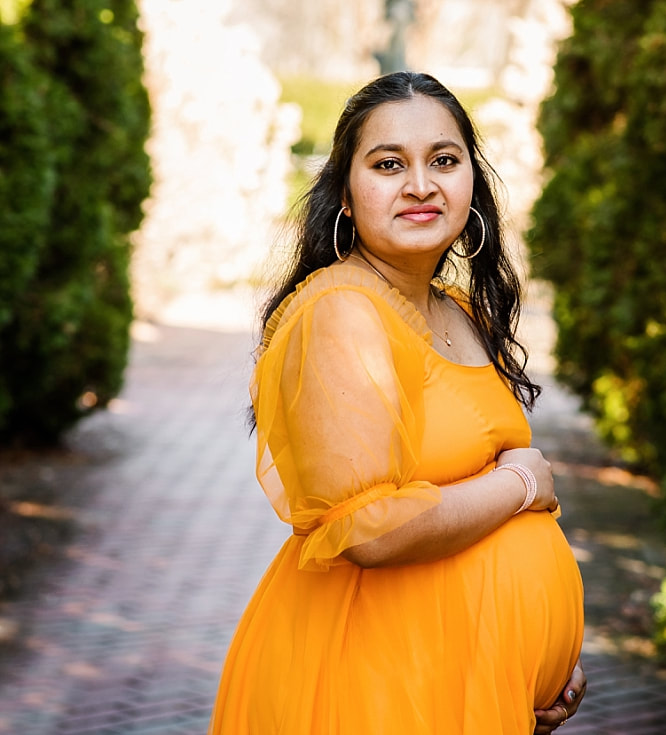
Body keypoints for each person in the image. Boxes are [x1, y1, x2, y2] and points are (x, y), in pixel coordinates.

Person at [209, 71, 586, 734]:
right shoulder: (341, 312)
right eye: (388, 164)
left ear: (473, 181)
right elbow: (373, 527)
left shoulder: (460, 311)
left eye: (444, 159)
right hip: (374, 679)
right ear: (347, 196)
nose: (420, 184)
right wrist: (524, 483)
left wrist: (538, 659)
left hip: (463, 680)